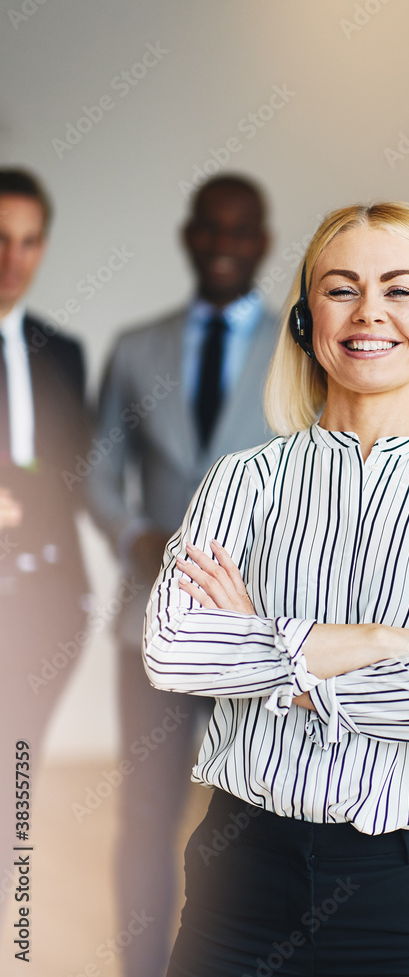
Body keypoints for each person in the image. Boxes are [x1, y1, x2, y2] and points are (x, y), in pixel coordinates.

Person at [143, 201, 409, 977]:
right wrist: (386, 645)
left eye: (398, 289)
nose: (369, 314)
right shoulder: (240, 481)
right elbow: (172, 650)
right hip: (241, 882)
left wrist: (267, 651)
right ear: (305, 316)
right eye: (341, 288)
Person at [87, 174, 277, 977]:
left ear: (263, 243)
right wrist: (132, 536)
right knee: (146, 814)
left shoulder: (301, 348)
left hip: (262, 627)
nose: (225, 244)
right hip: (151, 629)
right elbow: (96, 471)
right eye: (211, 228)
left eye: (242, 231)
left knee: (256, 819)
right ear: (189, 236)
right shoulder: (137, 347)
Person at [0, 168, 89, 909]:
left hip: (51, 600)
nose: (12, 259)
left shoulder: (61, 353)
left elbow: (76, 477)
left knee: (18, 760)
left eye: (28, 242)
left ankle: (13, 916)